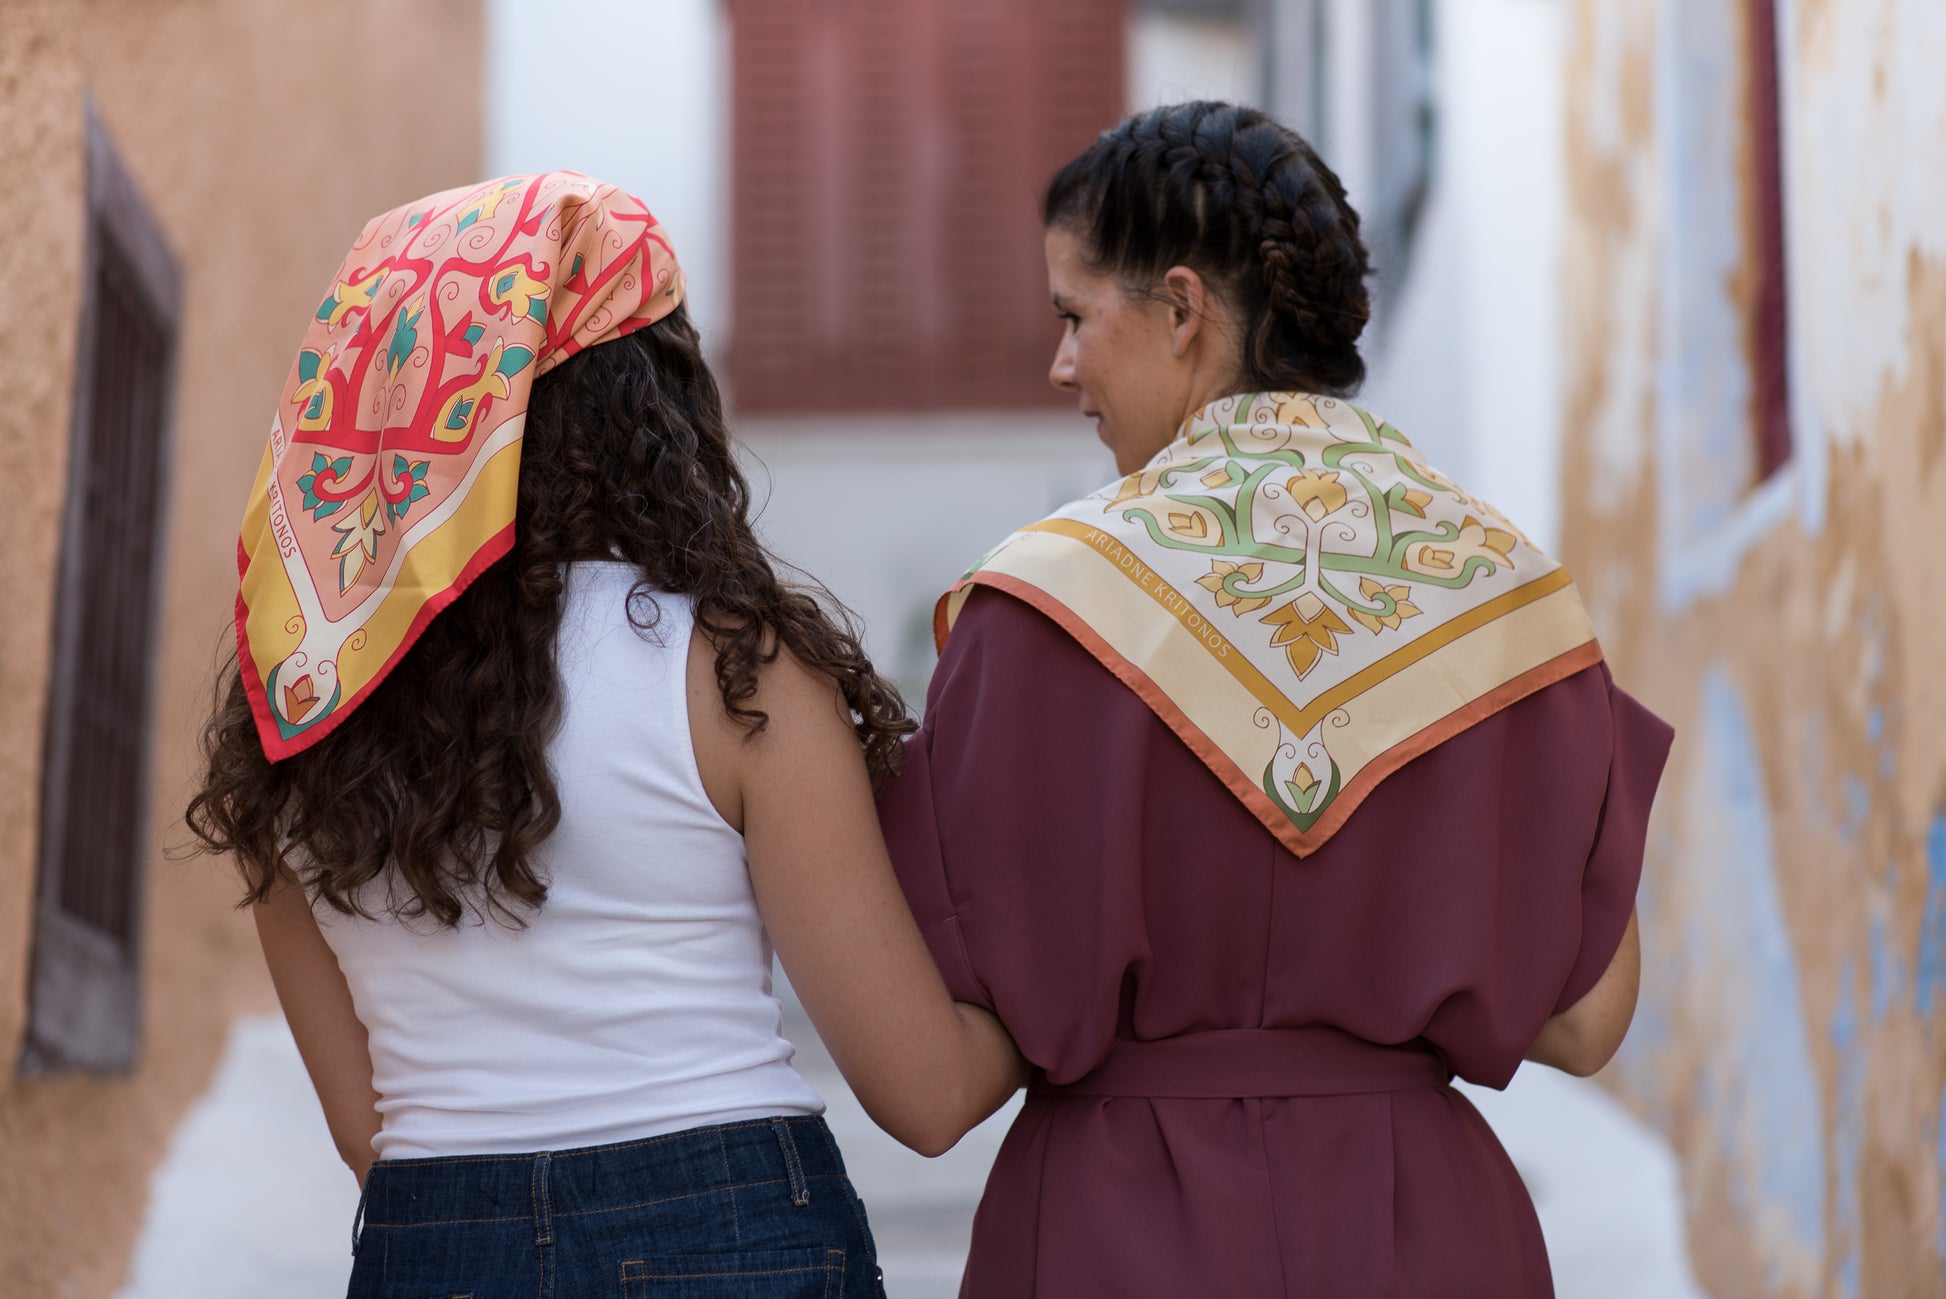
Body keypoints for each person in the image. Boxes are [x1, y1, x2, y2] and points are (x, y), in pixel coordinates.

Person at [876, 102, 1675, 1297]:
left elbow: (946, 1056)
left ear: (1181, 309)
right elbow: (1583, 1022)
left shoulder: (1037, 606)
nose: (1061, 367)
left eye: (1073, 316)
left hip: (1117, 1235)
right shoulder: (1508, 599)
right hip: (1421, 1236)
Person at [187, 172, 1024, 1299]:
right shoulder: (732, 669)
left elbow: (365, 1134)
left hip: (432, 1242)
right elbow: (925, 1096)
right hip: (732, 1232)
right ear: (648, 398)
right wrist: (1079, 1007)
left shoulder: (298, 714)